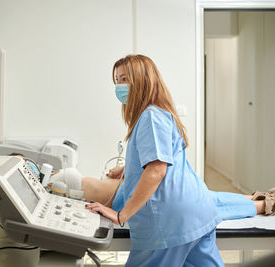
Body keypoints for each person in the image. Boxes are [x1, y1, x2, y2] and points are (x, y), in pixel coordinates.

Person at [82, 55, 223, 267]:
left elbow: (156, 171)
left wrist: (121, 215)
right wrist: (129, 169)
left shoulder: (150, 117)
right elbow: (163, 160)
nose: (119, 86)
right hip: (198, 213)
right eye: (117, 80)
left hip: (170, 222)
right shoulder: (160, 113)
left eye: (124, 79)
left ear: (142, 80)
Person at [50, 166, 275, 219]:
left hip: (132, 192)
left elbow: (154, 165)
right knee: (210, 200)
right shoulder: (54, 183)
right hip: (128, 195)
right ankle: (261, 201)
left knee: (210, 200)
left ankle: (263, 203)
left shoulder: (56, 180)